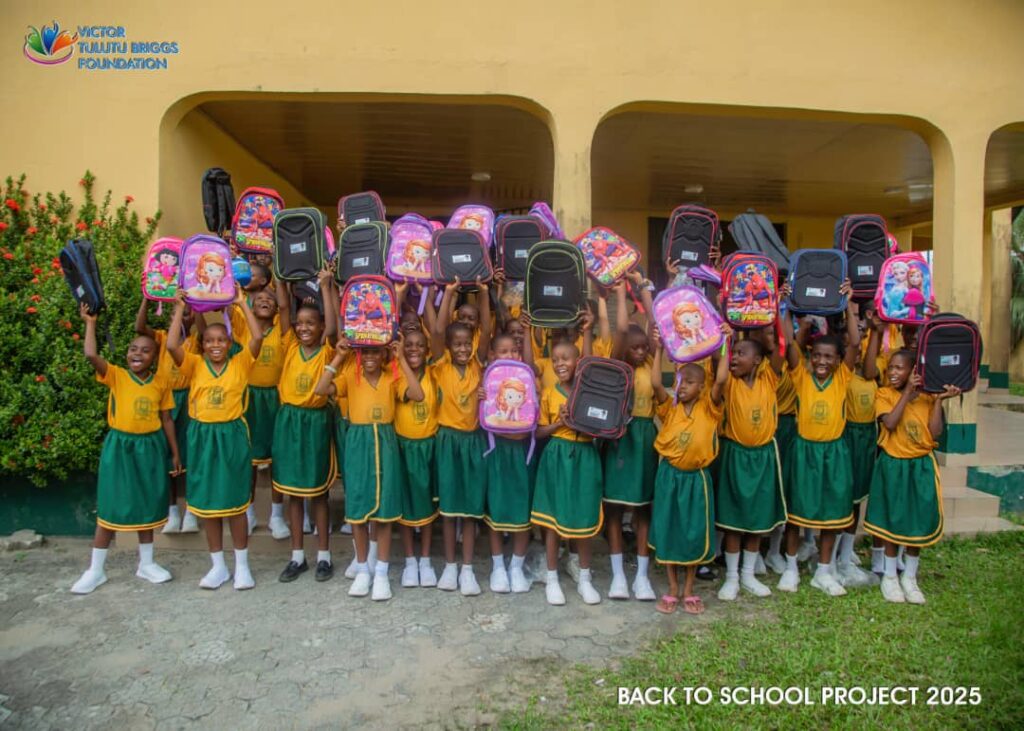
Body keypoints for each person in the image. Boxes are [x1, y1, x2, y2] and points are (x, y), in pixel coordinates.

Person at [71, 303, 182, 594]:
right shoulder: (117, 375)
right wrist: (90, 323)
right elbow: (91, 354)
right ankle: (95, 570)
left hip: (151, 447)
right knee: (111, 504)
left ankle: (146, 563)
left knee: (147, 503)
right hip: (121, 447)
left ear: (155, 356)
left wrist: (175, 453)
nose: (138, 354)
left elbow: (167, 419)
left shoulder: (161, 383)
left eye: (145, 351)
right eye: (133, 349)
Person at [166, 287, 265, 590]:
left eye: (221, 340)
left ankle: (242, 566)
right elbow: (170, 345)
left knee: (235, 504)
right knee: (208, 505)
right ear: (203, 345)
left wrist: (241, 303)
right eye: (209, 340)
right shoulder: (194, 364)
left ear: (230, 343)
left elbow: (257, 338)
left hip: (232, 435)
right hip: (203, 437)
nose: (215, 345)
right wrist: (179, 308)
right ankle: (218, 567)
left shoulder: (240, 363)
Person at [317, 335, 423, 600]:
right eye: (365, 352)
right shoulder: (350, 377)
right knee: (358, 508)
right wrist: (339, 356)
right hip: (357, 443)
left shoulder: (392, 377)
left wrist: (400, 359)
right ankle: (363, 569)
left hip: (385, 442)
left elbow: (417, 394)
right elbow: (320, 389)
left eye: (376, 352)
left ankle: (382, 572)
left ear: (384, 354)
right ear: (358, 355)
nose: (370, 358)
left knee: (384, 510)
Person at [777, 280, 860, 596]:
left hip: (834, 452)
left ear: (838, 361)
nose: (822, 362)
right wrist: (785, 306)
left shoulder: (842, 377)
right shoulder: (801, 375)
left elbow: (854, 342)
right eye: (818, 356)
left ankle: (823, 571)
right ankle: (790, 568)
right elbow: (788, 340)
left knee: (832, 515)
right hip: (805, 451)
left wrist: (848, 304)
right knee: (796, 515)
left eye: (829, 357)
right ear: (810, 356)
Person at [864, 351, 960, 604]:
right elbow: (890, 423)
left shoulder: (927, 397)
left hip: (920, 465)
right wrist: (906, 393)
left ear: (913, 372)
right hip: (893, 464)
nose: (893, 372)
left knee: (917, 519)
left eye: (900, 368)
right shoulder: (884, 394)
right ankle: (889, 576)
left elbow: (935, 432)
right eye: (891, 368)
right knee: (892, 519)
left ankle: (910, 576)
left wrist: (939, 401)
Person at [648, 325, 729, 615]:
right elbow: (656, 384)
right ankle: (672, 588)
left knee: (694, 531)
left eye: (690, 382)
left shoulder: (711, 408)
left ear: (702, 387)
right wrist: (659, 349)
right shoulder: (669, 408)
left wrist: (725, 343)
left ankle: (689, 589)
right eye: (680, 381)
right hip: (669, 476)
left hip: (697, 479)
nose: (682, 386)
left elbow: (721, 379)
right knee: (669, 528)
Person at [271, 270, 339, 583]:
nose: (304, 328)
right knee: (292, 493)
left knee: (318, 493)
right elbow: (285, 307)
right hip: (289, 421)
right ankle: (297, 556)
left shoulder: (327, 350)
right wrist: (280, 275)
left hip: (316, 422)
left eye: (311, 323)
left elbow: (334, 327)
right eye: (300, 323)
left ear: (321, 326)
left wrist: (325, 286)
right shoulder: (289, 346)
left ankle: (324, 555)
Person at [530, 315, 604, 606]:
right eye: (555, 360)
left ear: (578, 362)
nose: (560, 363)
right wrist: (559, 423)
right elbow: (538, 432)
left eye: (566, 359)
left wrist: (587, 331)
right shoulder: (549, 393)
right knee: (553, 522)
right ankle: (552, 578)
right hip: (556, 456)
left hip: (585, 456)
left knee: (583, 516)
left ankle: (584, 577)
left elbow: (600, 425)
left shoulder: (589, 391)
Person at [429, 278, 493, 596]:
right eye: (458, 344)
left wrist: (484, 293)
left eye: (467, 343)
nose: (464, 349)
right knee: (449, 509)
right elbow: (439, 330)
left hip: (472, 441)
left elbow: (486, 329)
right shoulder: (440, 365)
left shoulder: (479, 364)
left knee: (470, 509)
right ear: (448, 347)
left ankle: (467, 569)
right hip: (447, 441)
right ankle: (450, 567)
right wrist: (450, 294)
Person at [715, 327, 787, 601]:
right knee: (734, 519)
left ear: (758, 360)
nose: (735, 357)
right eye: (733, 353)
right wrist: (725, 340)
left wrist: (779, 312)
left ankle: (748, 574)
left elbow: (780, 347)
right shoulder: (730, 383)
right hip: (735, 454)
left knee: (757, 518)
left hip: (763, 456)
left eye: (741, 353)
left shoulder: (769, 377)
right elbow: (720, 369)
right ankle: (732, 577)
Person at [604, 278, 657, 601]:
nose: (639, 352)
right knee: (614, 507)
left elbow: (655, 324)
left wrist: (645, 289)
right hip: (620, 437)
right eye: (634, 348)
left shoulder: (651, 363)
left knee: (643, 508)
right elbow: (622, 329)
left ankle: (642, 576)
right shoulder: (617, 365)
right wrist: (621, 291)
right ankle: (618, 576)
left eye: (643, 347)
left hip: (645, 437)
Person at [480, 325, 538, 594]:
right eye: (503, 351)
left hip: (523, 453)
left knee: (522, 510)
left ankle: (516, 565)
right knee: (496, 507)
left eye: (515, 351)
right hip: (497, 452)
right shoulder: (487, 380)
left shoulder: (528, 379)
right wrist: (479, 398)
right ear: (492, 355)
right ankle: (497, 567)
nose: (511, 356)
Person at [134, 299, 199, 534]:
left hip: (189, 400)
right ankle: (172, 510)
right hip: (165, 401)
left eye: (187, 314)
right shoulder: (162, 338)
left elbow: (201, 326)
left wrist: (197, 307)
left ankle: (191, 510)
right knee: (168, 455)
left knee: (190, 454)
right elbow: (139, 327)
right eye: (177, 314)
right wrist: (146, 298)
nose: (181, 317)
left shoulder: (196, 340)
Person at [393, 283, 440, 589]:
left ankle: (425, 560)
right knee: (408, 507)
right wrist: (398, 358)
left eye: (419, 346)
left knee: (427, 507)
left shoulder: (435, 370)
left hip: (429, 447)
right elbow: (415, 393)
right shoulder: (396, 375)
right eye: (408, 345)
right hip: (405, 448)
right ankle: (410, 561)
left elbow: (436, 332)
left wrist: (430, 295)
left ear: (427, 350)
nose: (413, 350)